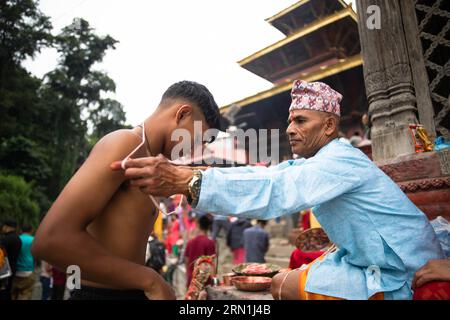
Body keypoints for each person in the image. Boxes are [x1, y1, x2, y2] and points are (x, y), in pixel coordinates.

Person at [117, 80, 444, 300]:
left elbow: (275, 188)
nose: (289, 129)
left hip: (401, 272)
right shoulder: (321, 160)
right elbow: (276, 174)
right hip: (368, 262)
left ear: (329, 126)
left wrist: (184, 180)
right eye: (289, 121)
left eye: (301, 121)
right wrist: (193, 174)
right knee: (288, 273)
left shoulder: (340, 159)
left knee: (281, 284)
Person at [31, 81, 221, 300]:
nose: (195, 149)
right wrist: (150, 280)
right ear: (182, 114)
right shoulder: (125, 144)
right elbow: (50, 240)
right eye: (197, 139)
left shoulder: (149, 163)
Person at [184, 215, 215, 288]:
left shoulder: (190, 242)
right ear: (208, 227)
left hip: (192, 281)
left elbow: (186, 261)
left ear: (198, 225)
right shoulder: (209, 243)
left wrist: (187, 277)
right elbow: (211, 264)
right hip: (205, 284)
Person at [11, 225, 36, 300]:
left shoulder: (16, 239)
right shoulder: (34, 240)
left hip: (15, 271)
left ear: (21, 230)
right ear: (31, 230)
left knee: (12, 294)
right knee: (26, 294)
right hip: (28, 271)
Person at [0, 220, 22, 300]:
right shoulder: (18, 238)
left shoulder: (5, 239)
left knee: (2, 292)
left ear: (7, 227)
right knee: (8, 290)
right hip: (13, 268)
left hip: (3, 270)